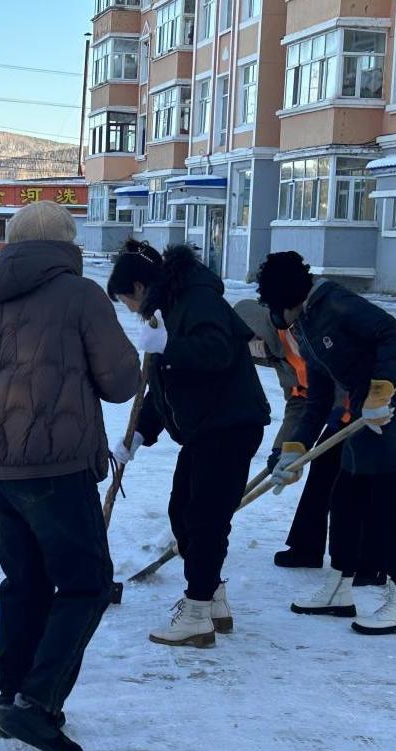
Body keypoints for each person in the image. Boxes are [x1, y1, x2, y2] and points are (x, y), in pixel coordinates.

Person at [0, 202, 140, 751]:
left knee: (26, 584)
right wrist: (143, 355)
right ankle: (37, 704)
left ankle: (11, 700)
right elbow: (120, 383)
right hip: (55, 465)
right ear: (67, 244)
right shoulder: (80, 294)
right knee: (87, 583)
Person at [257, 251, 396, 636]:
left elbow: (392, 333)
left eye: (277, 308)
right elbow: (318, 399)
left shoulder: (337, 304)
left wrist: (380, 390)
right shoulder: (307, 324)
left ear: (289, 297)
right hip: (361, 418)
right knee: (344, 501)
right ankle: (339, 589)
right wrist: (294, 450)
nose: (278, 319)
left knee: (393, 509)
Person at [108, 241, 270, 648]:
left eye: (127, 300)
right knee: (184, 514)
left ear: (140, 287)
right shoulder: (169, 308)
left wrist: (169, 347)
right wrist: (141, 432)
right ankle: (212, 599)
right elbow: (165, 384)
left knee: (204, 519)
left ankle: (197, 612)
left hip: (230, 424)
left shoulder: (198, 299)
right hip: (207, 428)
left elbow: (216, 352)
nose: (129, 309)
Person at [233, 296, 383, 584]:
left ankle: (370, 563)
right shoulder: (279, 356)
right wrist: (284, 448)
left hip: (371, 410)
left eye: (251, 340)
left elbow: (345, 381)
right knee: (323, 470)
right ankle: (306, 548)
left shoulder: (305, 334)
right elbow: (299, 401)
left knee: (353, 483)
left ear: (259, 330)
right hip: (339, 413)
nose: (253, 349)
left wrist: (335, 416)